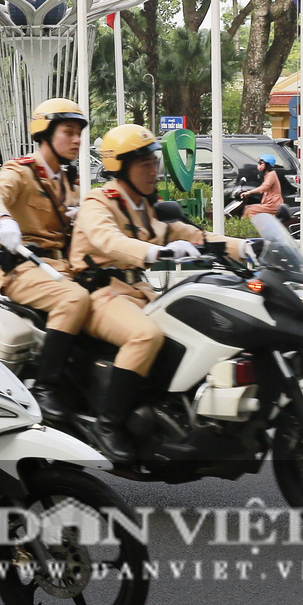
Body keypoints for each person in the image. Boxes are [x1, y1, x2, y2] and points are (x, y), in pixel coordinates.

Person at [67, 124, 239, 464]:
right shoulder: (97, 203)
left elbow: (193, 235)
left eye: (154, 161)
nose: (153, 170)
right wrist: (157, 252)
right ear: (121, 166)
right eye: (144, 163)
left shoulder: (146, 207)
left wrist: (245, 247)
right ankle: (108, 424)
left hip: (136, 292)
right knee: (144, 335)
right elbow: (109, 242)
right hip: (99, 294)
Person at [0, 98, 93, 421]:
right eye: (68, 132)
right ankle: (45, 388)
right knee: (74, 300)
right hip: (26, 270)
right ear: (45, 134)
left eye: (79, 133)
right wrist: (3, 220)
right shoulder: (22, 171)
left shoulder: (70, 180)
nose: (77, 140)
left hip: (63, 269)